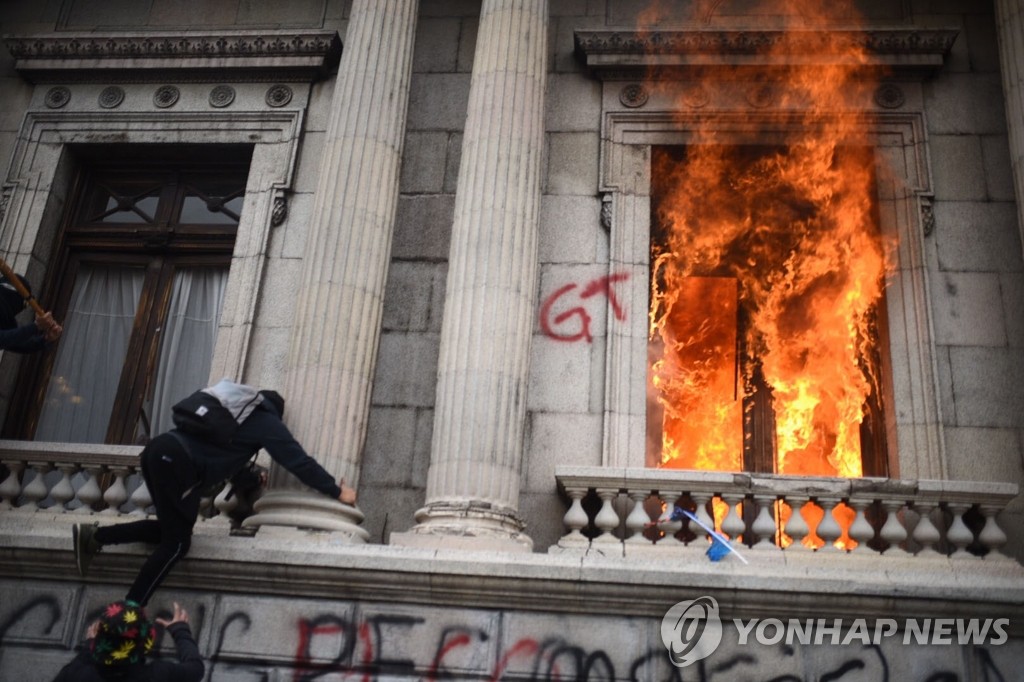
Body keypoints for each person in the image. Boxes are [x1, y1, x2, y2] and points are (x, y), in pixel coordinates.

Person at [73, 379, 358, 606]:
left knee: (171, 532)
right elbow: (297, 461)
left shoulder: (230, 417)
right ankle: (130, 611)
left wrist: (252, 478)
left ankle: (96, 537)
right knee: (176, 546)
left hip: (158, 451)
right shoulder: (265, 421)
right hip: (178, 463)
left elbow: (223, 462)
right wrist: (336, 491)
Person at [51, 599, 203, 682]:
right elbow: (195, 668)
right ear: (146, 641)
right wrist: (180, 630)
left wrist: (89, 647)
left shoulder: (76, 673)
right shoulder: (158, 675)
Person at [0, 273, 62, 352]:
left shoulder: (5, 321)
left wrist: (46, 338)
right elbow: (3, 339)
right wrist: (36, 326)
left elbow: (16, 343)